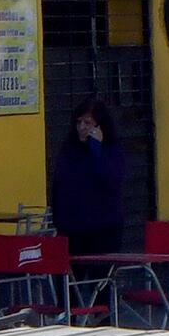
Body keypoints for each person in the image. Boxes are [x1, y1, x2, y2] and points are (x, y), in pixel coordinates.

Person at [53, 98, 132, 261]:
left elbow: (110, 179)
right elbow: (59, 184)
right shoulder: (69, 150)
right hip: (72, 229)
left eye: (88, 123)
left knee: (100, 278)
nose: (81, 127)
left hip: (103, 229)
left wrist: (96, 148)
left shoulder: (111, 151)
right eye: (79, 122)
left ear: (99, 127)